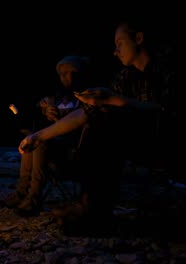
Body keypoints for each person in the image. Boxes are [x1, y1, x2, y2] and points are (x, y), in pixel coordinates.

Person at [19, 18, 175, 235]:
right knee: (98, 119)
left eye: (120, 43)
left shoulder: (168, 68)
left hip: (168, 142)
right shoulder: (125, 76)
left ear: (138, 39)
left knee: (105, 124)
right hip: (131, 143)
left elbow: (169, 112)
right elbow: (85, 113)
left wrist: (114, 101)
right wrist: (39, 135)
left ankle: (91, 209)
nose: (115, 51)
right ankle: (88, 207)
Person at [2, 55, 94, 216]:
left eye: (69, 72)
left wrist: (58, 121)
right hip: (56, 149)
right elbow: (40, 109)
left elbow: (80, 124)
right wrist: (46, 112)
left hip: (76, 153)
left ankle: (34, 198)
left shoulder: (89, 97)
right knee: (31, 138)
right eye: (61, 73)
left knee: (41, 142)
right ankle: (22, 192)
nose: (64, 76)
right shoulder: (58, 97)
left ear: (80, 73)